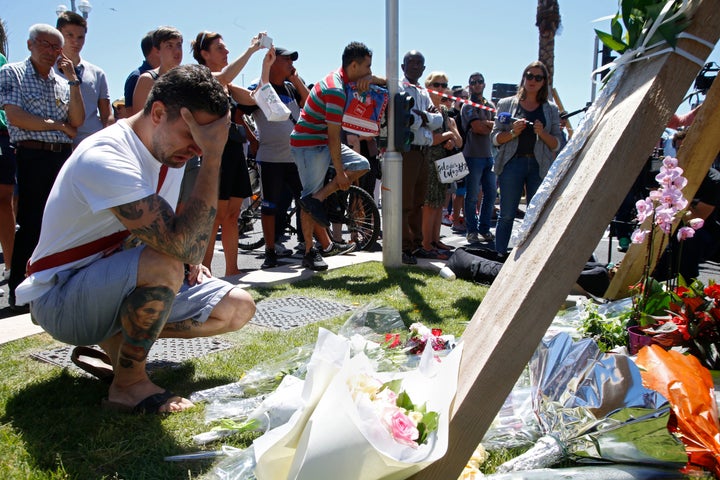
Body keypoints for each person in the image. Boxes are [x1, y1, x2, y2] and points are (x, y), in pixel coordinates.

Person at [15, 65, 256, 414]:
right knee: (165, 263)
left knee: (237, 308)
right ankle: (128, 386)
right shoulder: (106, 156)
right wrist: (216, 157)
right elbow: (176, 247)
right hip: (61, 298)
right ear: (157, 112)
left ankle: (116, 344)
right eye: (194, 136)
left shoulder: (166, 153)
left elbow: (178, 242)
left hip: (110, 284)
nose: (199, 149)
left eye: (208, 141)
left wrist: (189, 262)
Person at [0, 23, 85, 311]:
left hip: (61, 157)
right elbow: (17, 117)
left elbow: (77, 121)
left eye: (56, 47)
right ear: (30, 44)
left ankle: (53, 285)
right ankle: (19, 293)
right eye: (45, 44)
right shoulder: (12, 72)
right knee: (32, 223)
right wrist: (58, 125)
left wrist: (72, 80)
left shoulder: (62, 82)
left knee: (62, 223)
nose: (51, 51)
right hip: (31, 156)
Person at [290, 41, 384, 270]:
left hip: (322, 141)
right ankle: (310, 252)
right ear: (354, 65)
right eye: (368, 67)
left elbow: (390, 82)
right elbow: (334, 137)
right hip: (309, 145)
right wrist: (341, 173)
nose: (370, 71)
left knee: (361, 165)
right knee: (308, 195)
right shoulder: (335, 89)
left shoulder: (342, 80)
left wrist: (372, 79)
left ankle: (318, 200)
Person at [191, 30, 266, 276]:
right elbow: (222, 75)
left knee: (233, 215)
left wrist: (266, 64)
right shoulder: (202, 77)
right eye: (220, 48)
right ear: (204, 54)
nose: (226, 52)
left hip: (234, 153)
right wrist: (252, 50)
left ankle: (232, 271)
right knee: (216, 217)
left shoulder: (229, 86)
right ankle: (206, 272)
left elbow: (256, 99)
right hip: (215, 156)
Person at [240, 46, 309, 269]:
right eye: (286, 59)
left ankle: (310, 247)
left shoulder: (290, 88)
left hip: (295, 159)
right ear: (273, 61)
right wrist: (252, 139)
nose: (291, 63)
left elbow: (308, 103)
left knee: (306, 202)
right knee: (270, 206)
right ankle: (270, 251)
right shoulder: (259, 88)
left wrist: (296, 79)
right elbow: (237, 113)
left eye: (292, 59)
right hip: (270, 159)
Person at [491, 61, 562, 256]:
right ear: (523, 78)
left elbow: (558, 144)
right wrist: (513, 132)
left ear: (544, 82)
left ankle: (530, 256)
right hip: (512, 163)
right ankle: (500, 255)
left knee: (535, 214)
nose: (532, 80)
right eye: (529, 76)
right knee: (506, 213)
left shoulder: (551, 109)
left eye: (538, 77)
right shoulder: (506, 104)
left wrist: (543, 133)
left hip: (539, 165)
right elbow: (495, 139)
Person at [398, 51, 443, 265]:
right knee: (405, 202)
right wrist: (425, 117)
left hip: (424, 152)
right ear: (403, 66)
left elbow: (438, 120)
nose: (415, 66)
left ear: (424, 69)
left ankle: (416, 245)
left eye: (419, 63)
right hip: (407, 151)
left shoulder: (424, 93)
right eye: (411, 62)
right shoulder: (399, 87)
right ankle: (403, 247)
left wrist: (425, 116)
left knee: (418, 202)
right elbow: (405, 118)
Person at [416, 71, 461, 259]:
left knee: (438, 204)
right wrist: (448, 136)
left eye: (444, 85)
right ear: (427, 86)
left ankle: (434, 240)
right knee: (428, 204)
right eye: (436, 84)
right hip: (426, 161)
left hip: (443, 162)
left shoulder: (444, 111)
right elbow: (428, 139)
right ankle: (426, 244)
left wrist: (451, 138)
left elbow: (459, 141)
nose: (440, 89)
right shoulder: (424, 107)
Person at [55, 11, 110, 147]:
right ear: (58, 34)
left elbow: (106, 115)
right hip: (60, 143)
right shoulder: (48, 71)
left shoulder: (97, 73)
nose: (76, 41)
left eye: (81, 37)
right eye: (70, 35)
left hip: (93, 144)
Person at [462, 71, 496, 244]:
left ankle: (484, 228)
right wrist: (489, 124)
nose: (477, 84)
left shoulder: (489, 105)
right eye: (473, 82)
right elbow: (478, 128)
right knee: (473, 195)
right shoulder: (467, 106)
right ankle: (471, 230)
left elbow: (498, 127)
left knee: (490, 194)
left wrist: (489, 124)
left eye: (480, 81)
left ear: (484, 84)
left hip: (489, 156)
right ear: (469, 85)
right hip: (472, 156)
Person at [132, 26, 182, 114]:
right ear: (157, 51)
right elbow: (141, 121)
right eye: (169, 46)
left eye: (179, 45)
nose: (177, 51)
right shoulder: (147, 80)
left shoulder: (187, 78)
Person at [123, 31, 159, 116]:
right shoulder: (136, 77)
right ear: (156, 49)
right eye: (168, 46)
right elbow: (131, 114)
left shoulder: (168, 75)